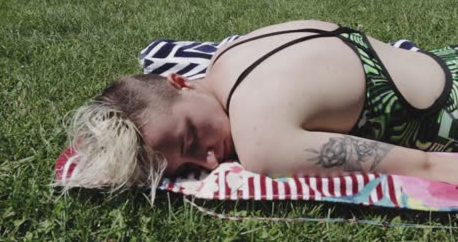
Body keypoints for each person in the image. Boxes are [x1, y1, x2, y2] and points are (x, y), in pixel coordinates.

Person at [64, 20, 458, 201]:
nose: (211, 159)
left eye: (192, 138)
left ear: (179, 81)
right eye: (187, 167)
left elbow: (430, 167)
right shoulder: (231, 52)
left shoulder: (260, 142)